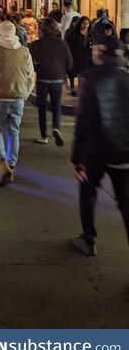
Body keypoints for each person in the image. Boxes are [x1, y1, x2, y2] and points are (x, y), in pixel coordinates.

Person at [70, 37, 129, 256]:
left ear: (101, 52)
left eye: (95, 49)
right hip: (125, 153)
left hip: (97, 151)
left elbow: (83, 121)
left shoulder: (91, 79)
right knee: (126, 204)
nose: (92, 52)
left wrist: (77, 157)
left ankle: (89, 239)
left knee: (87, 193)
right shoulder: (126, 78)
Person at [0, 20, 34, 186]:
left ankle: (1, 161)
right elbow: (30, 75)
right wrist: (26, 93)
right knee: (14, 131)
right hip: (18, 96)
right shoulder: (24, 51)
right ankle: (11, 163)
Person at [29, 18, 73, 146]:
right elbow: (70, 63)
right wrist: (61, 70)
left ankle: (43, 135)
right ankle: (56, 127)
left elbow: (31, 62)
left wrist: (39, 68)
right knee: (56, 105)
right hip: (57, 79)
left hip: (43, 78)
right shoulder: (62, 44)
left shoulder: (37, 44)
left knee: (42, 108)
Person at [66, 16, 92, 96]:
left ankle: (81, 89)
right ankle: (74, 88)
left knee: (84, 74)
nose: (86, 25)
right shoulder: (74, 33)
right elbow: (70, 44)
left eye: (87, 23)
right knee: (76, 73)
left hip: (87, 56)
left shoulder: (90, 33)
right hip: (76, 55)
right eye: (84, 23)